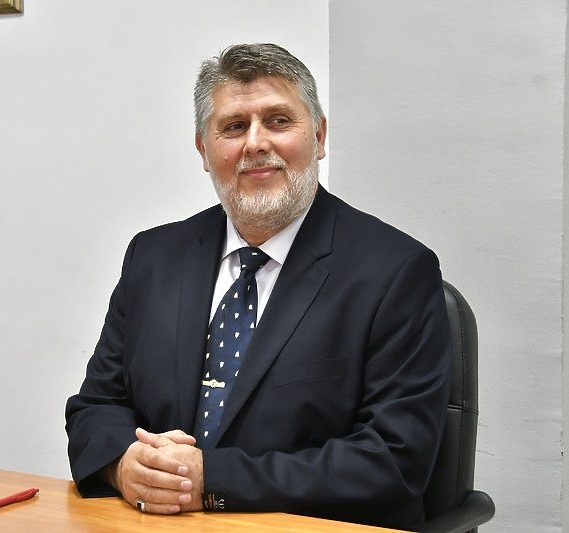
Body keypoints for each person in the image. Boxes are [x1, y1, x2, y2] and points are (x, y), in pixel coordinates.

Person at [65, 42, 452, 530]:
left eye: (278, 121)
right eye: (233, 127)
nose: (255, 143)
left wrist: (212, 479)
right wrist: (124, 466)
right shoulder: (153, 257)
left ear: (319, 136)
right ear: (204, 151)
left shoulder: (396, 271)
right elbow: (96, 407)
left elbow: (393, 460)